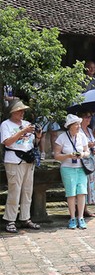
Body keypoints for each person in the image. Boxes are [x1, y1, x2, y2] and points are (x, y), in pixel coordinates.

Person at [1, 100, 42, 233]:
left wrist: (38, 136)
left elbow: (33, 143)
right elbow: (7, 142)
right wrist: (22, 131)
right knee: (15, 191)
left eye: (23, 111)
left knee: (27, 190)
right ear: (13, 112)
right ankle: (10, 219)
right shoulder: (5, 125)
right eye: (20, 111)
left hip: (28, 160)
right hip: (13, 160)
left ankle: (25, 217)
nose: (22, 113)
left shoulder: (27, 124)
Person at [54, 114, 91, 230]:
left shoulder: (82, 136)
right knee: (71, 193)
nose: (78, 126)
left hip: (81, 168)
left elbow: (87, 151)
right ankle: (72, 218)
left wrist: (82, 155)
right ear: (70, 126)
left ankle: (81, 217)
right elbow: (56, 155)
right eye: (76, 124)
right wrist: (68, 155)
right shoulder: (62, 138)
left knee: (82, 192)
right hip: (67, 168)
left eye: (79, 124)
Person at [80, 111, 95, 218]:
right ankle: (82, 208)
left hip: (91, 159)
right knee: (84, 184)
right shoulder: (79, 131)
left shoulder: (90, 130)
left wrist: (94, 148)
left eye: (90, 117)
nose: (89, 119)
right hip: (83, 160)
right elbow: (78, 144)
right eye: (86, 117)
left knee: (90, 183)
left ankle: (86, 207)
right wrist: (87, 145)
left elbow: (94, 142)